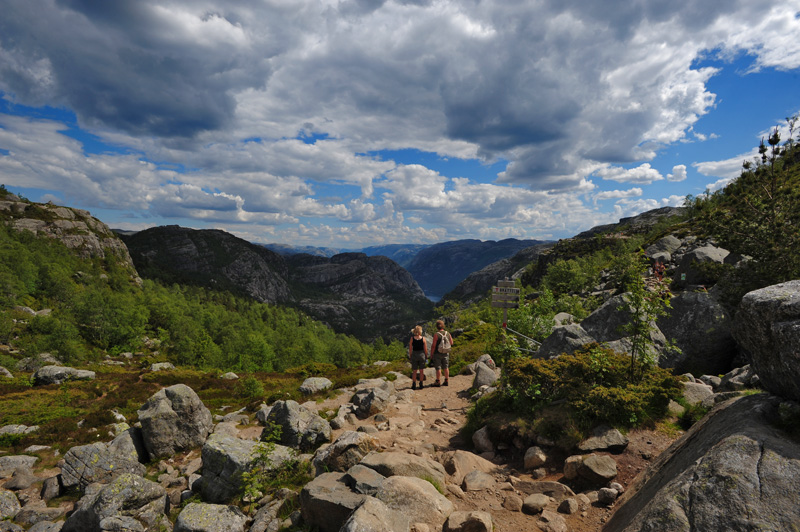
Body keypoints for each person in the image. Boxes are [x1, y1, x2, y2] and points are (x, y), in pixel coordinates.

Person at [430, 319, 453, 387]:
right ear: (443, 326)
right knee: (446, 367)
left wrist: (431, 354)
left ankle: (438, 381)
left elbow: (433, 345)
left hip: (437, 353)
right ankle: (446, 380)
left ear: (437, 326)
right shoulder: (447, 333)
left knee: (438, 368)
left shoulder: (436, 334)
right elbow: (451, 342)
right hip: (446, 353)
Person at [408, 325, 428, 390]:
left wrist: (410, 356)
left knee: (414, 371)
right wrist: (426, 356)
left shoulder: (412, 339)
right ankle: (421, 384)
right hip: (421, 354)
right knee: (421, 370)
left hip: (414, 355)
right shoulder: (423, 338)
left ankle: (414, 384)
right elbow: (425, 349)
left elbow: (410, 348)